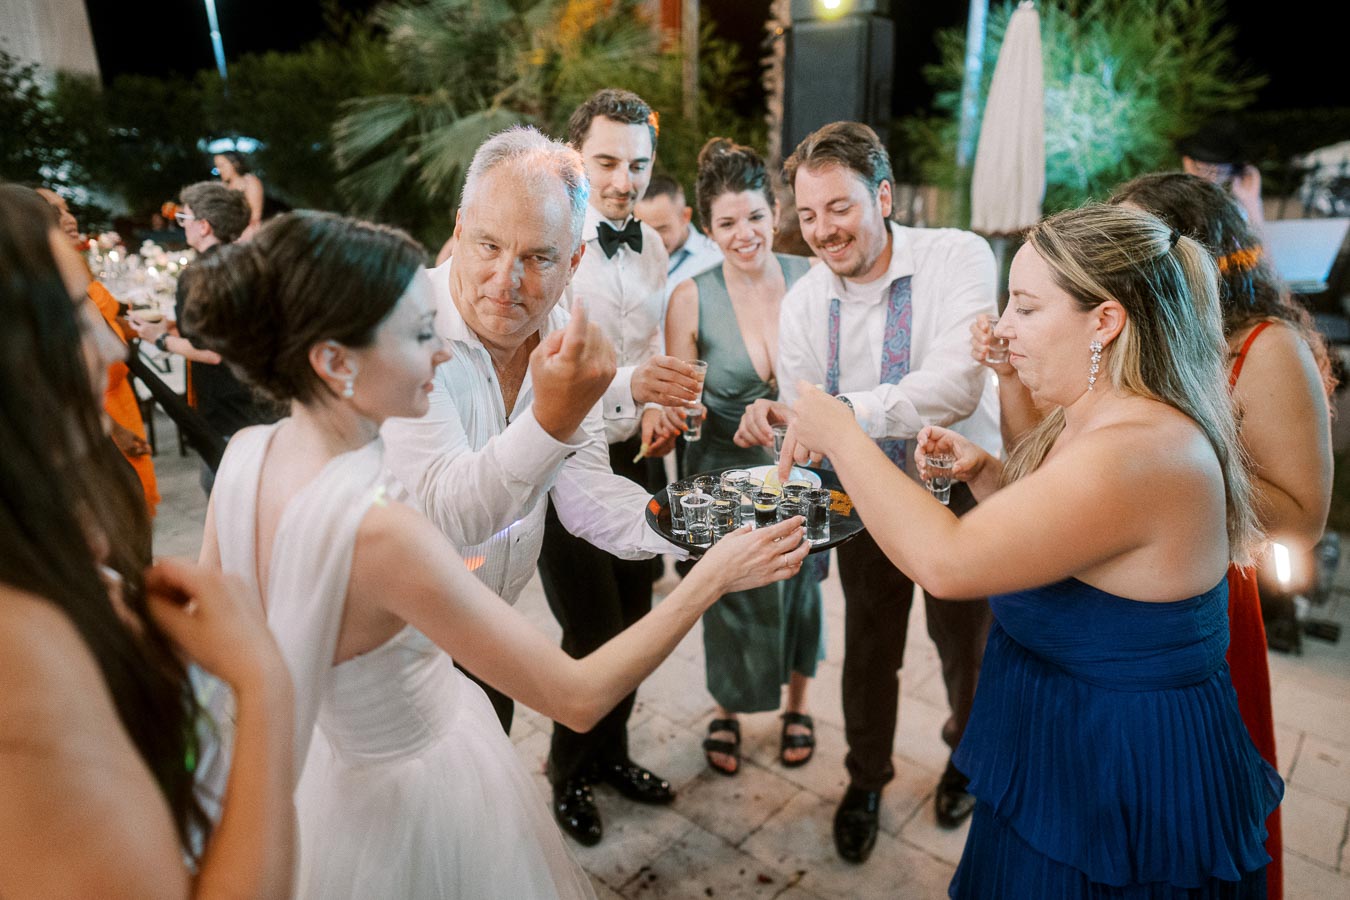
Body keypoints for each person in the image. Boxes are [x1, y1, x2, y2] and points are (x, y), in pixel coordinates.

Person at [184, 208, 810, 899]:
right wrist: (713, 577)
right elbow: (576, 697)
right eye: (421, 335)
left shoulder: (247, 456)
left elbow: (213, 657)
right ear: (335, 361)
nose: (443, 352)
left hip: (318, 781)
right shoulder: (384, 531)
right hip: (415, 801)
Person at [785, 202, 1284, 896]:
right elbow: (1058, 521)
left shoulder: (1143, 450)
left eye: (1023, 307)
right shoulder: (1102, 416)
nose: (1000, 327)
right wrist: (988, 472)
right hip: (1062, 731)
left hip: (1120, 770)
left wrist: (840, 430)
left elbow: (947, 562)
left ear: (1104, 320)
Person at [0, 183, 294, 898]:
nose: (108, 347)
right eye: (79, 319)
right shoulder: (23, 661)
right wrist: (261, 686)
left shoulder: (51, 545)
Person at [735, 121, 1001, 861]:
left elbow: (958, 381)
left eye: (839, 208)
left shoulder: (956, 256)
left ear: (882, 195)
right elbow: (806, 414)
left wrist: (847, 413)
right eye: (809, 214)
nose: (822, 231)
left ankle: (968, 761)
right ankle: (866, 778)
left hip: (962, 490)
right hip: (869, 499)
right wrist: (788, 421)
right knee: (868, 647)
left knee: (967, 648)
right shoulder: (802, 305)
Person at [532, 88, 705, 845]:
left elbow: (647, 358)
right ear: (574, 159)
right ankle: (568, 770)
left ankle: (614, 755)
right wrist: (632, 393)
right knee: (592, 627)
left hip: (641, 461)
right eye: (606, 162)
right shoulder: (551, 250)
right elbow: (550, 379)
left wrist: (661, 406)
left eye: (637, 165)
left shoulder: (656, 246)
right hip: (566, 464)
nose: (622, 180)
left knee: (638, 620)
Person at [663, 137, 822, 776]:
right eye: (726, 223)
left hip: (801, 472)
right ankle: (726, 712)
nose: (744, 233)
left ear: (775, 212)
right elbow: (680, 406)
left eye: (755, 216)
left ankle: (798, 705)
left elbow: (833, 382)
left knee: (803, 592)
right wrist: (682, 414)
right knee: (727, 598)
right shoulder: (690, 296)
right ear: (708, 228)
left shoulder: (811, 280)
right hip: (720, 477)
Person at [130, 181, 279, 491]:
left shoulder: (197, 276)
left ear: (204, 226)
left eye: (184, 220)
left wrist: (158, 338)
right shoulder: (254, 261)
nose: (182, 227)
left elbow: (211, 351)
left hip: (227, 404)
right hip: (267, 395)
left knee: (225, 494)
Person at [36, 185, 160, 515]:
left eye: (67, 208)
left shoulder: (77, 273)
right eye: (54, 212)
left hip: (113, 407)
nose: (69, 219)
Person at [636, 172, 723, 298]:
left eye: (662, 229)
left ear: (685, 216)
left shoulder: (716, 259)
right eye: (645, 229)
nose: (653, 239)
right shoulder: (626, 261)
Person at [213, 150, 264, 240]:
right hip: (228, 235)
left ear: (235, 163)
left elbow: (255, 217)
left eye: (222, 166)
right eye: (217, 167)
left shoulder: (250, 182)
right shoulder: (223, 186)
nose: (219, 170)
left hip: (248, 235)